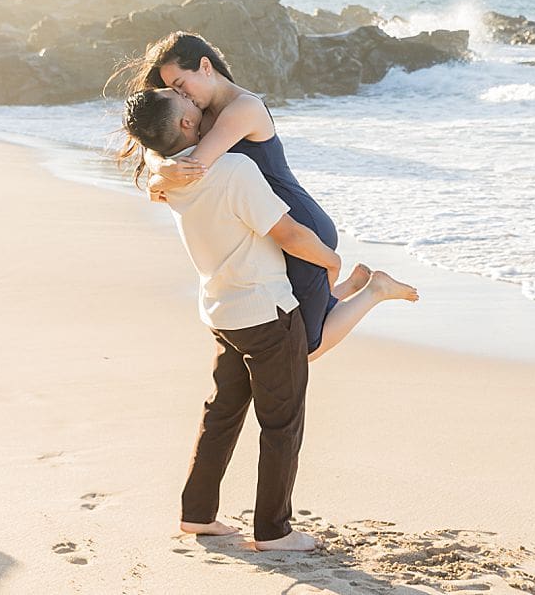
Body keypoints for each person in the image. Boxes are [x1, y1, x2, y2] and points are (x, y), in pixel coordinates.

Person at [119, 87, 415, 550]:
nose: (198, 105)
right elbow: (290, 233)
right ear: (184, 125)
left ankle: (197, 513)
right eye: (188, 105)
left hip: (221, 310)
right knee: (282, 423)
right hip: (266, 313)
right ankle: (274, 531)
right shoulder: (235, 170)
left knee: (221, 415)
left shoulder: (171, 181)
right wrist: (330, 261)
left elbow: (159, 173)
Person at [123, 32, 417, 360]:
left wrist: (159, 177)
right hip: (273, 229)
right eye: (173, 91)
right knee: (293, 320)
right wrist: (159, 170)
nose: (181, 96)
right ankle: (344, 288)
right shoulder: (203, 114)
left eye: (180, 85)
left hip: (300, 227)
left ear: (205, 66)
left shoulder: (242, 109)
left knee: (304, 349)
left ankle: (375, 290)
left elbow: (194, 165)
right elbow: (159, 147)